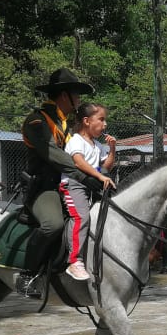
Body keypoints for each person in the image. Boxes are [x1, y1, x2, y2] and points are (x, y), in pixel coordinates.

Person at [20, 68, 95, 292]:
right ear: (64, 95)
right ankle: (27, 274)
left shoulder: (65, 125)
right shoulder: (36, 121)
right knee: (53, 225)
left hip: (67, 184)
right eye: (76, 95)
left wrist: (98, 175)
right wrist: (84, 176)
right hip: (44, 188)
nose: (79, 100)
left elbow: (78, 156)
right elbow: (54, 155)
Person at [60, 102, 117, 281]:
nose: (105, 124)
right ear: (86, 121)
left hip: (90, 187)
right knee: (81, 217)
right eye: (101, 119)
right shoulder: (76, 140)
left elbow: (106, 167)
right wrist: (100, 177)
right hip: (73, 186)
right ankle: (74, 261)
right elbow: (78, 162)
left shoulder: (97, 145)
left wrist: (112, 149)